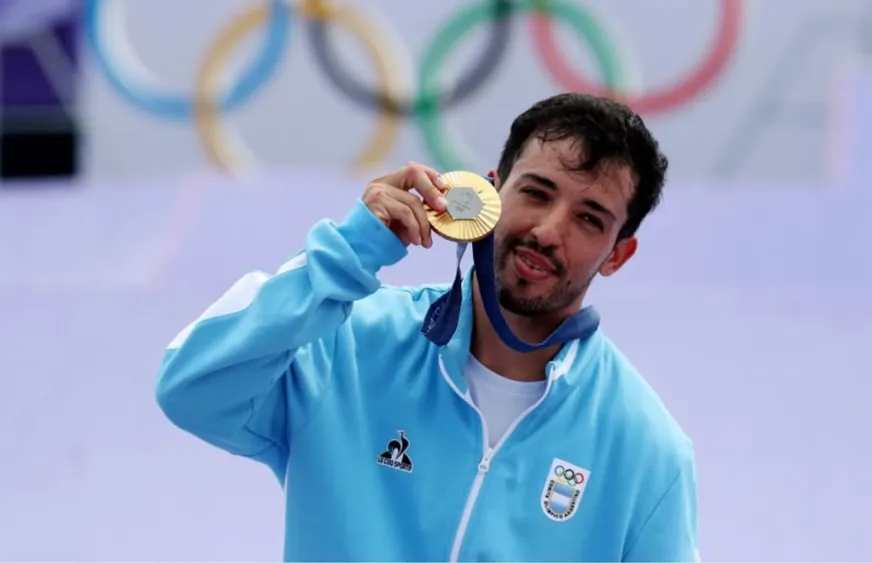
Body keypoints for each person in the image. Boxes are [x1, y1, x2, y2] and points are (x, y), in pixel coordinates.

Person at [155, 93, 699, 562]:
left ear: (617, 254)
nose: (548, 231)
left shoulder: (646, 450)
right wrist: (347, 254)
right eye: (536, 192)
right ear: (489, 194)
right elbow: (190, 387)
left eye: (589, 219)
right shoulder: (348, 345)